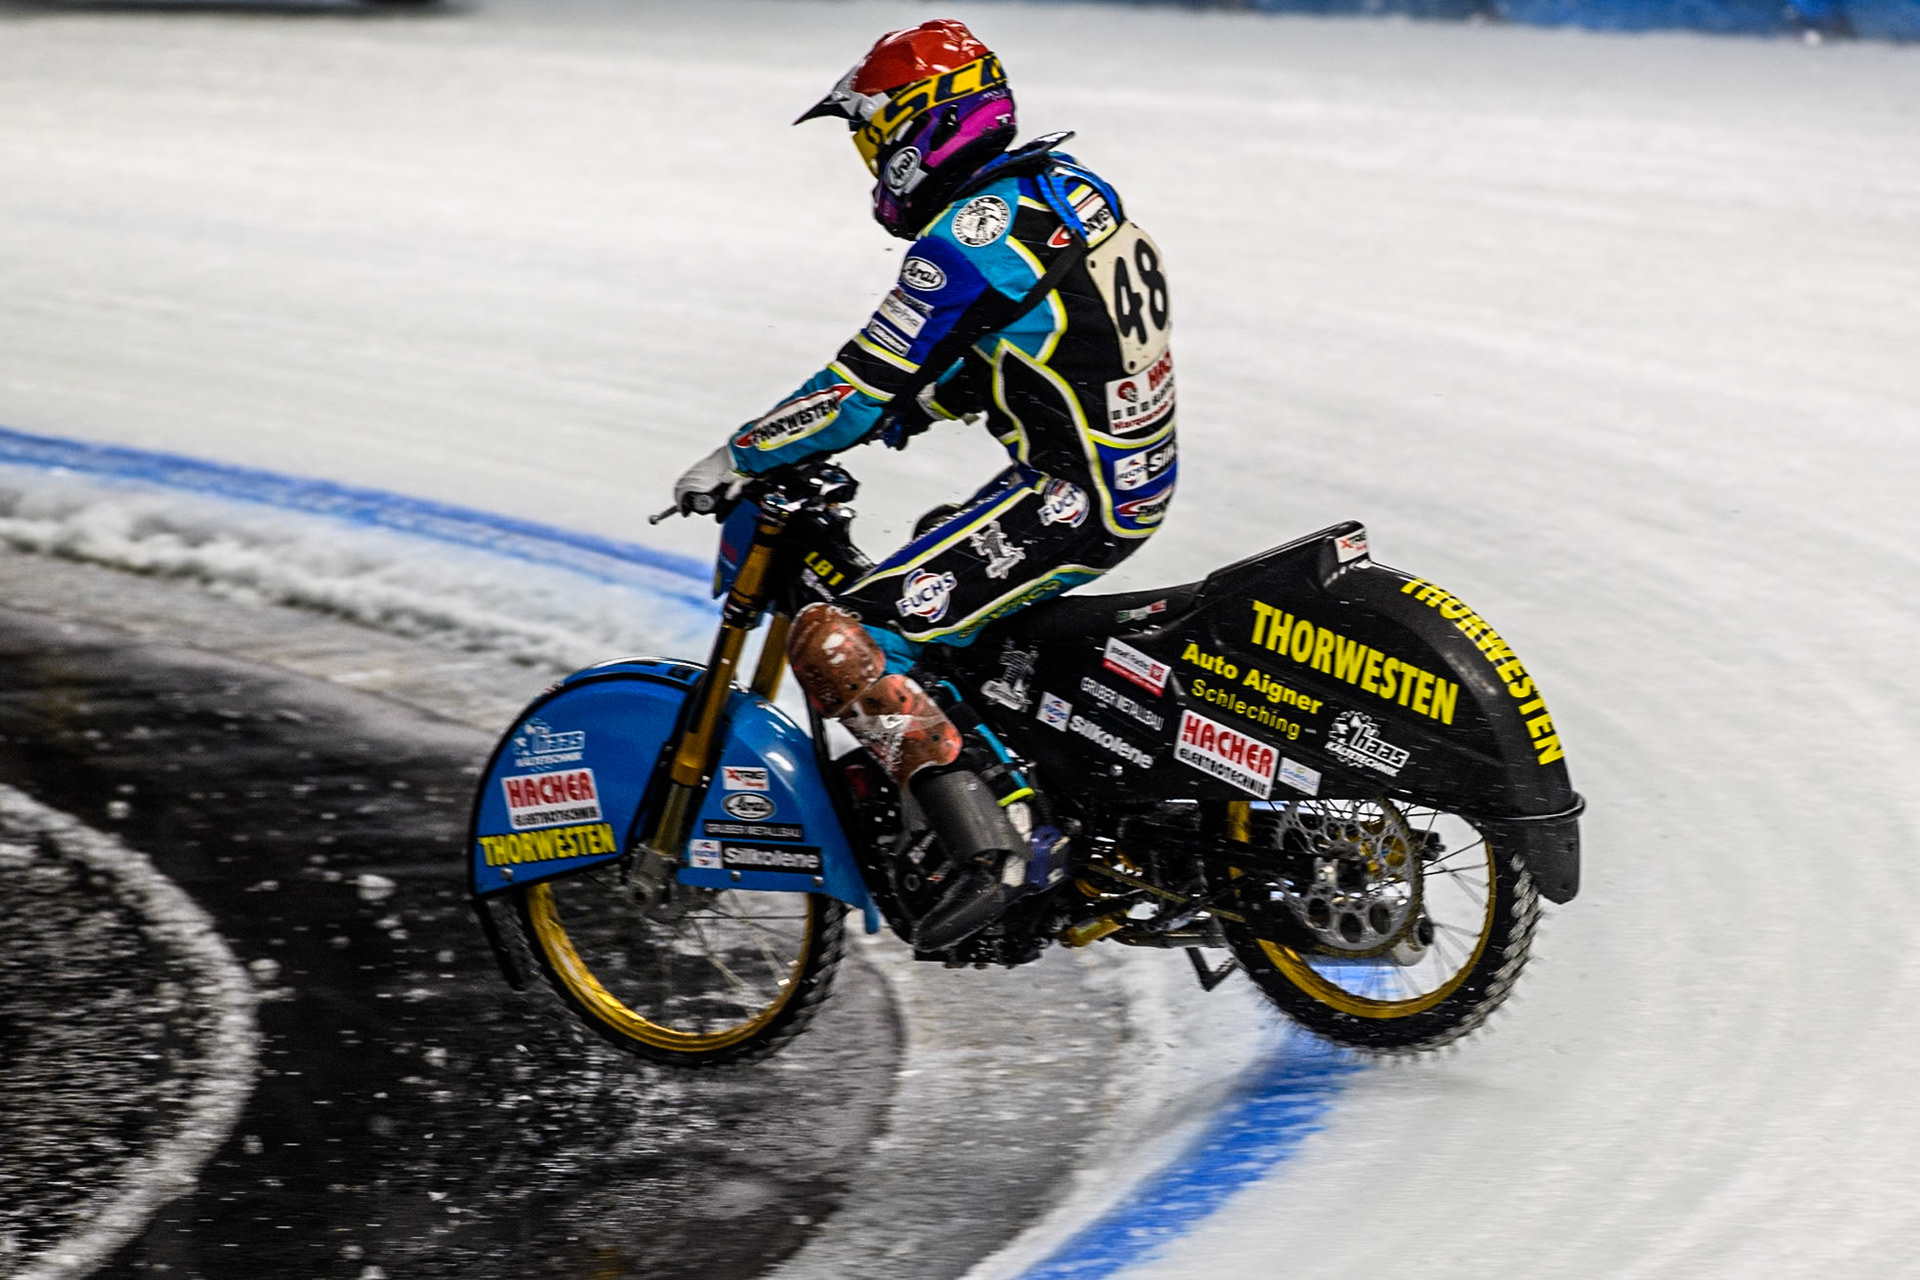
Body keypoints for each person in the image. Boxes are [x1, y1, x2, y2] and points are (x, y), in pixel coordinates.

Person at [673, 19, 1176, 950]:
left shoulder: (967, 236)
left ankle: (1000, 846)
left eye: (872, 136)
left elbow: (858, 382)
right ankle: (1050, 776)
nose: (871, 161)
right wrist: (916, 407)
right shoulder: (1064, 190)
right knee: (940, 564)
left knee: (843, 637)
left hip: (1070, 496)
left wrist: (743, 453)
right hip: (1123, 470)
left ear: (918, 127)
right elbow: (1031, 342)